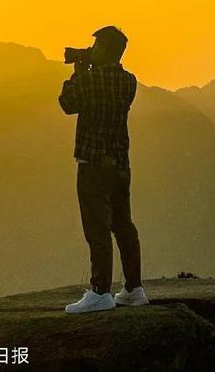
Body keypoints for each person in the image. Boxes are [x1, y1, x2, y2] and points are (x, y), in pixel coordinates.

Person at [58, 25, 148, 313]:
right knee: (123, 225)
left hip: (93, 167)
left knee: (97, 230)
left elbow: (67, 103)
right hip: (120, 165)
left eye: (95, 46)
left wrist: (78, 70)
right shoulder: (129, 82)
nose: (90, 50)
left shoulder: (89, 80)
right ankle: (134, 288)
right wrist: (88, 65)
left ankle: (100, 292)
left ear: (104, 50)